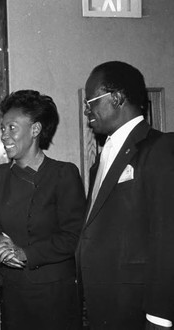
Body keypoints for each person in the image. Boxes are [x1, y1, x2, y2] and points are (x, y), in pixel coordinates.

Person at [77, 61, 174, 329]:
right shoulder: (100, 161)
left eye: (91, 101)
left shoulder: (160, 148)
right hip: (102, 303)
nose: (87, 110)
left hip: (137, 307)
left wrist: (160, 314)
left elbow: (167, 236)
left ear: (117, 98)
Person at [0, 90, 86, 330]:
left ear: (35, 130)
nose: (5, 136)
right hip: (14, 294)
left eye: (12, 128)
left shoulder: (63, 174)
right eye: (3, 128)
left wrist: (25, 254)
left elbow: (73, 237)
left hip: (56, 295)